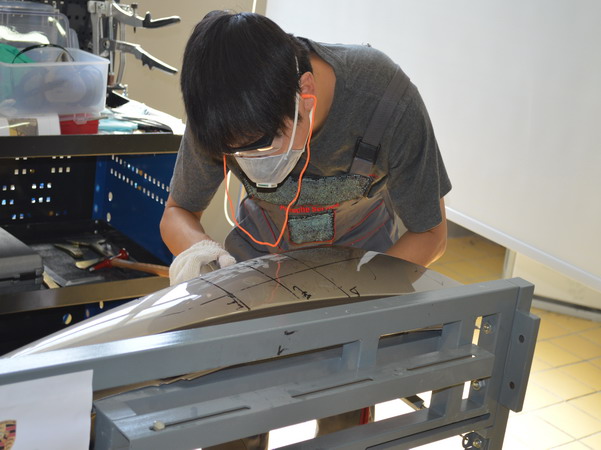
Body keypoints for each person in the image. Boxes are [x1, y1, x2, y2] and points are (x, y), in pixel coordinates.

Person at [160, 10, 451, 449]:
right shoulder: (224, 107)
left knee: (344, 418)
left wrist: (355, 303)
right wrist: (207, 258)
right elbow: (177, 211)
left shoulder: (385, 99)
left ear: (306, 93)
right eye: (238, 154)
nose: (253, 162)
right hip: (255, 269)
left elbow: (430, 234)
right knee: (233, 416)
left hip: (362, 268)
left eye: (263, 147)